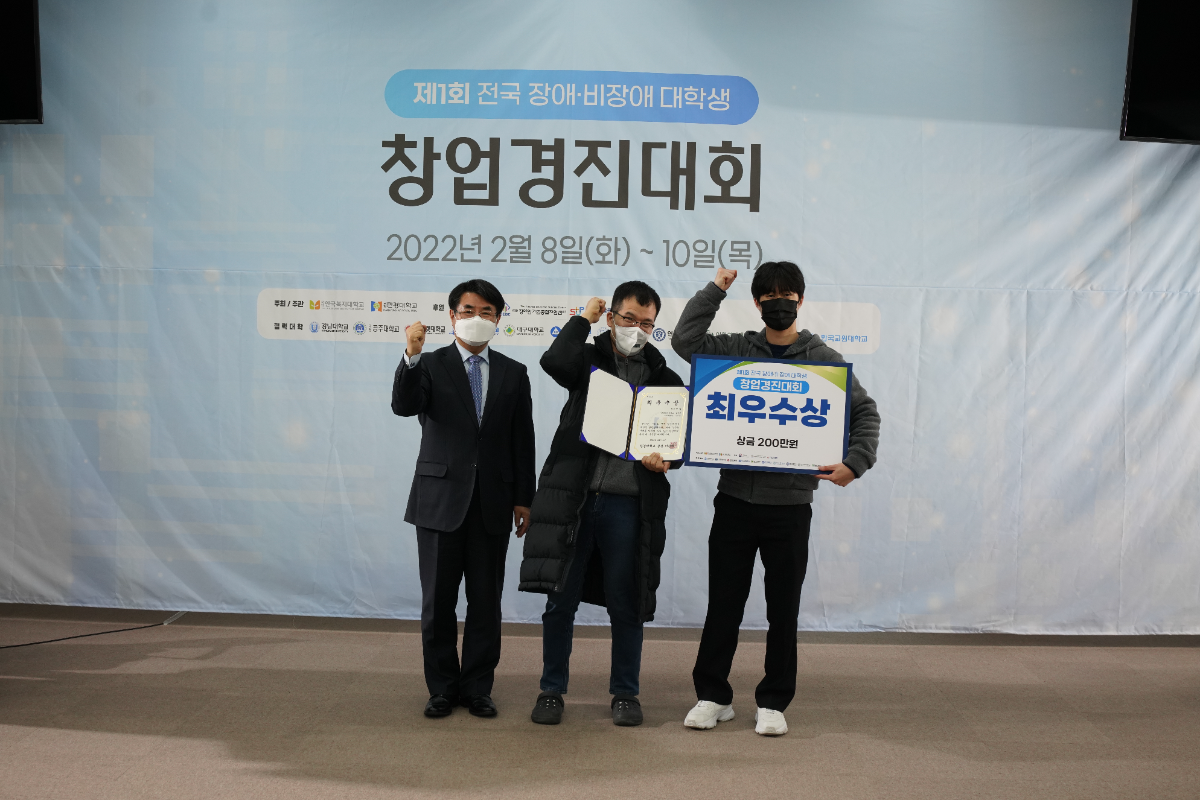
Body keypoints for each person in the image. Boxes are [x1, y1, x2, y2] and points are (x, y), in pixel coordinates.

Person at [672, 262, 880, 737]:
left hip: (790, 508)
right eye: (769, 297)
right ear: (757, 302)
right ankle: (713, 696)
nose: (779, 303)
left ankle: (773, 700)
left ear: (800, 301)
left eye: (787, 296)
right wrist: (715, 290)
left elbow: (864, 412)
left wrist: (855, 462)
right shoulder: (736, 349)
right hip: (734, 502)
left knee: (782, 609)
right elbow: (684, 342)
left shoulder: (822, 357)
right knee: (724, 603)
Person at [518, 281, 684, 727]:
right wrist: (581, 321)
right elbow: (554, 362)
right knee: (560, 599)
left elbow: (678, 445)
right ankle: (551, 690)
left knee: (627, 603)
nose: (637, 329)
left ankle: (625, 693)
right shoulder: (587, 360)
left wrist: (666, 459)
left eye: (647, 323)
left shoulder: (665, 379)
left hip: (629, 506)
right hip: (574, 499)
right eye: (628, 318)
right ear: (611, 317)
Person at [391, 278, 536, 719]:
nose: (477, 318)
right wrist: (411, 355)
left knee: (485, 603)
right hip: (439, 500)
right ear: (452, 315)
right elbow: (403, 405)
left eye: (487, 311)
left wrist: (524, 498)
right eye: (469, 310)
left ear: (498, 319)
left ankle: (477, 688)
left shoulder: (514, 372)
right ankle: (440, 688)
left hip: (493, 502)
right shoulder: (430, 364)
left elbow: (522, 439)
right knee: (437, 602)